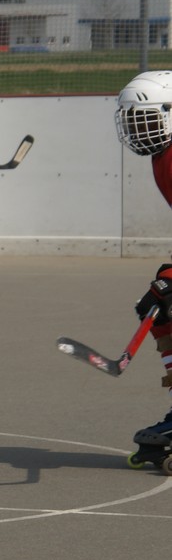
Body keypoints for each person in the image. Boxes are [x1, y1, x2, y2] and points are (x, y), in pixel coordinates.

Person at [113, 70, 172, 468]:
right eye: (132, 120)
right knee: (160, 310)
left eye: (147, 118)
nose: (137, 128)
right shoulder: (162, 155)